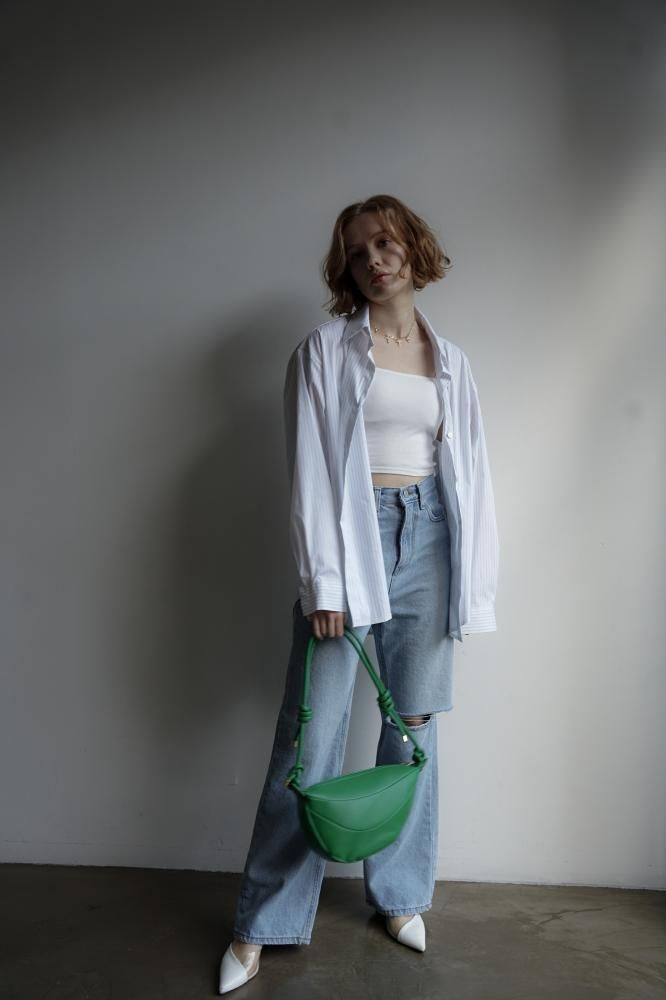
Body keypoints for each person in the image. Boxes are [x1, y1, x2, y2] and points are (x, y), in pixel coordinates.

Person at [218, 194, 500, 994]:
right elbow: (310, 471)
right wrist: (324, 582)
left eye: (384, 242)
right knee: (308, 740)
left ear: (413, 246)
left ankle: (401, 895)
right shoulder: (323, 353)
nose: (373, 259)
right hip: (354, 540)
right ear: (345, 268)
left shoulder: (452, 361)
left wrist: (473, 586)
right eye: (356, 251)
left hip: (431, 539)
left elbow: (472, 475)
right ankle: (263, 922)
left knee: (414, 732)